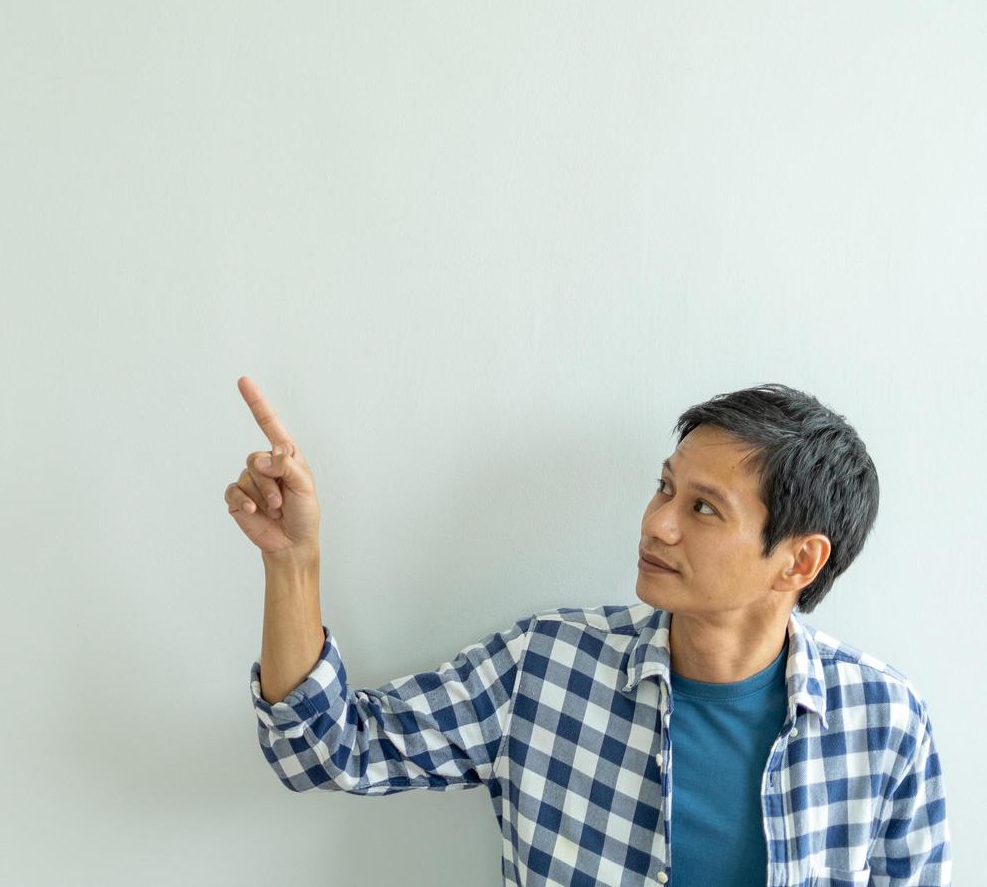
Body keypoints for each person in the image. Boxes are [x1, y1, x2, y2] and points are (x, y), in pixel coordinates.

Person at [229, 377, 949, 886]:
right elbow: (323, 751)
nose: (656, 523)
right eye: (666, 487)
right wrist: (293, 561)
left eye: (704, 510)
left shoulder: (883, 723)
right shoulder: (544, 669)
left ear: (799, 560)